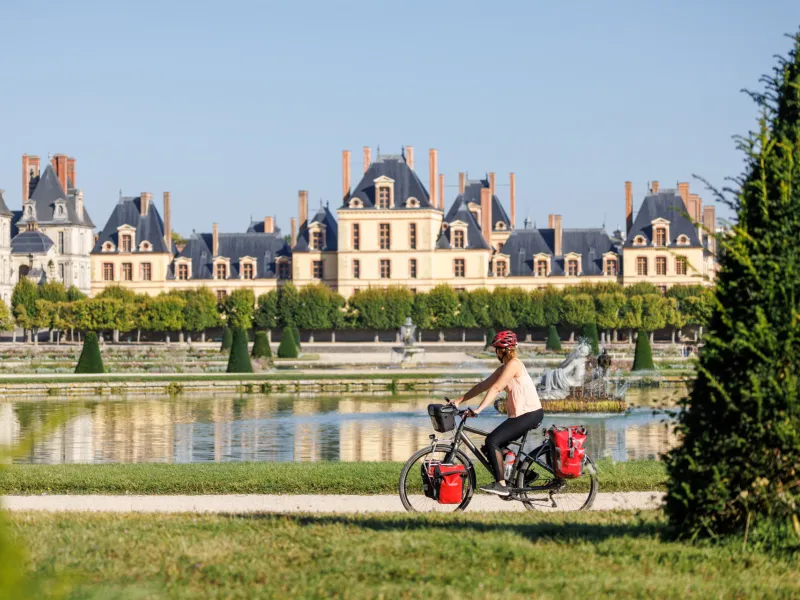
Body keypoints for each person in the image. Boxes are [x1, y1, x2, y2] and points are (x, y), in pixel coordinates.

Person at [451, 330, 543, 496]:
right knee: (490, 448)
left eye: (497, 349)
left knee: (492, 440)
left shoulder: (514, 364)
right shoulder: (504, 368)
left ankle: (501, 485)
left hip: (530, 413)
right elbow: (483, 385)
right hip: (522, 414)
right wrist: (458, 401)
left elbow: (496, 388)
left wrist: (478, 409)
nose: (496, 353)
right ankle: (526, 475)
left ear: (504, 350)